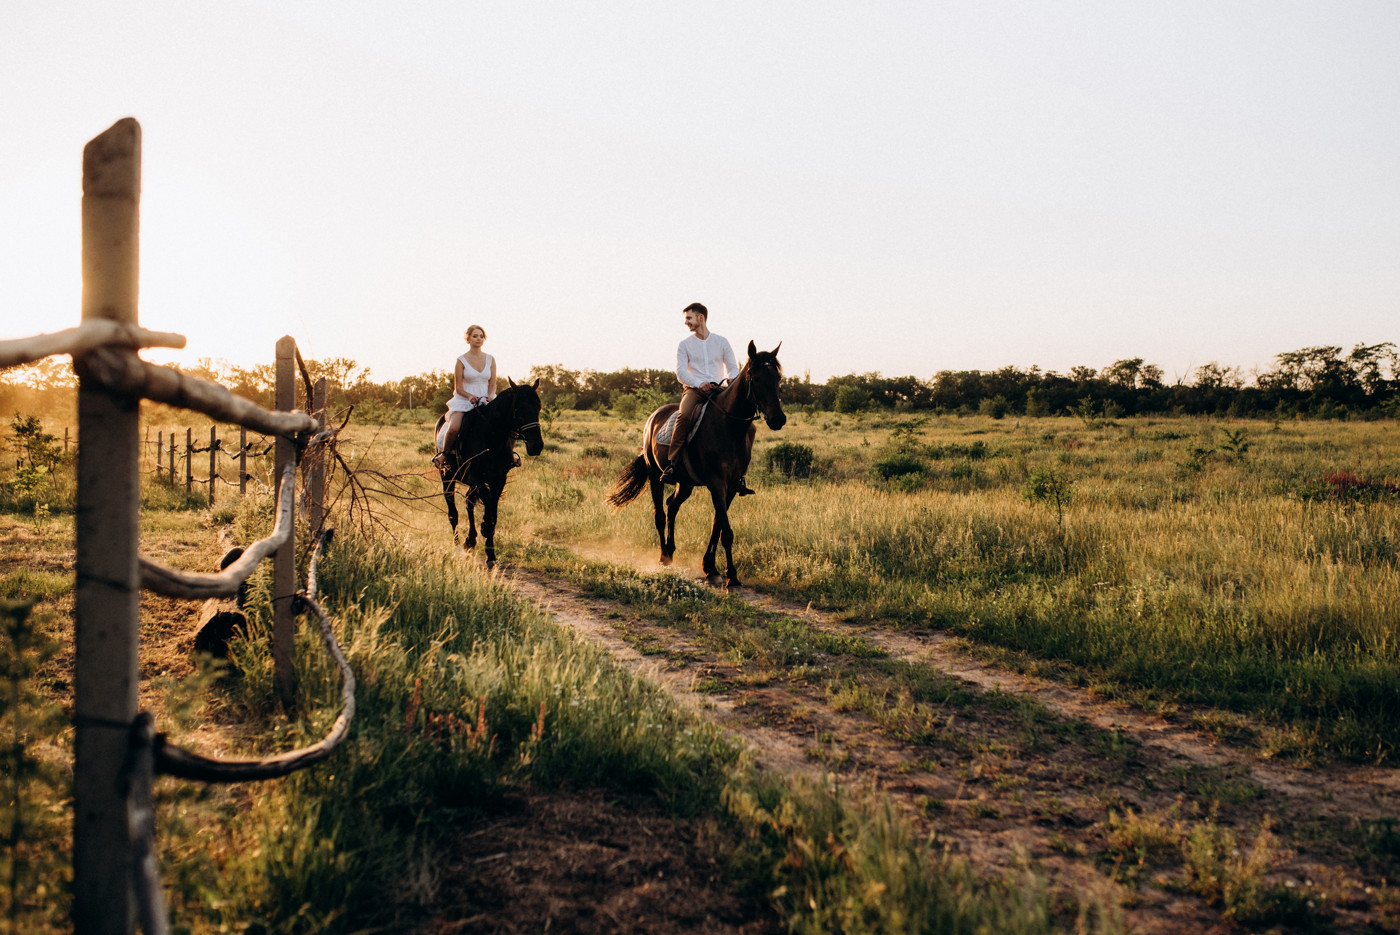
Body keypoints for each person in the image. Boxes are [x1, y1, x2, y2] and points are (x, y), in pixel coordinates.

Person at [659, 302, 752, 494]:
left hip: (719, 390)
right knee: (684, 416)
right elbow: (680, 372)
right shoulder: (684, 345)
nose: (686, 322)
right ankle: (673, 464)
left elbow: (733, 367)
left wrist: (732, 381)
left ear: (700, 317)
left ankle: (739, 475)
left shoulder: (722, 342)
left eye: (689, 318)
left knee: (750, 426)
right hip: (695, 390)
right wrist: (699, 383)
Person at [434, 324, 497, 469]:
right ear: (468, 339)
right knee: (454, 428)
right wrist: (469, 396)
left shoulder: (490, 359)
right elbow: (458, 387)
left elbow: (493, 383)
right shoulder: (461, 360)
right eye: (475, 336)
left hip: (486, 400)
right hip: (464, 401)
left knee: (504, 424)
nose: (478, 339)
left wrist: (490, 396)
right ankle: (444, 454)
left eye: (481, 336)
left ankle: (509, 455)